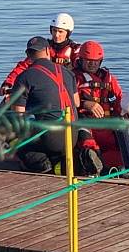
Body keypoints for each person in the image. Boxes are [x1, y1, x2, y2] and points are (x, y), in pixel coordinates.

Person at [10, 36, 81, 174]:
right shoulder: (67, 72)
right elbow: (76, 102)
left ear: (28, 56)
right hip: (72, 136)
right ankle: (58, 163)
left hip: (50, 137)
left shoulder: (25, 77)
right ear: (48, 51)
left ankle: (39, 163)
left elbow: (18, 114)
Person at [72, 40, 124, 172]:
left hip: (107, 125)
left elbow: (119, 99)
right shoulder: (73, 78)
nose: (92, 64)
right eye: (88, 60)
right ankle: (98, 165)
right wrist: (85, 104)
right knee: (87, 142)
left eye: (96, 61)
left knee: (126, 134)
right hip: (85, 123)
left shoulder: (109, 78)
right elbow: (66, 102)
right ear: (81, 59)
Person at [0, 13, 80, 94]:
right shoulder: (41, 48)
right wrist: (8, 83)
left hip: (67, 88)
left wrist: (69, 66)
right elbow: (23, 66)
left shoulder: (75, 50)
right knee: (8, 99)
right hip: (43, 86)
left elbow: (81, 72)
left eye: (60, 31)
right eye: (54, 30)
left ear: (68, 33)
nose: (56, 35)